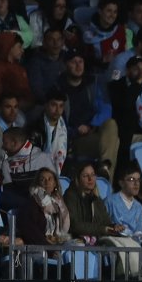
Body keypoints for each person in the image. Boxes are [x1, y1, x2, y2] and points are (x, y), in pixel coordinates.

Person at [56, 48, 119, 179]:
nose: (78, 65)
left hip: (92, 132)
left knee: (111, 124)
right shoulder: (59, 87)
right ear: (66, 65)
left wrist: (91, 125)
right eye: (74, 62)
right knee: (115, 142)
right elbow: (56, 120)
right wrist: (75, 130)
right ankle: (107, 183)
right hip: (74, 140)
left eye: (81, 61)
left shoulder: (92, 83)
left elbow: (106, 108)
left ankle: (105, 168)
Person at [64, 162, 123, 241]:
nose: (90, 179)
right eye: (85, 176)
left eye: (93, 175)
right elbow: (75, 226)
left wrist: (114, 227)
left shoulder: (96, 199)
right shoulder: (70, 196)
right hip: (75, 242)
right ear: (77, 179)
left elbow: (106, 222)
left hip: (96, 241)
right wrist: (103, 229)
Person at [0, 32, 34, 114]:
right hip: (6, 112)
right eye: (19, 47)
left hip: (26, 109)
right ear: (9, 47)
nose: (22, 50)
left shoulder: (19, 67)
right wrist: (16, 105)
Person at [16, 167, 71, 246]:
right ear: (38, 183)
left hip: (55, 242)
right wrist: (48, 247)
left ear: (55, 183)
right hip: (39, 247)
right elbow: (29, 230)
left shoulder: (59, 203)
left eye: (50, 179)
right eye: (42, 179)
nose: (46, 182)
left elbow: (65, 225)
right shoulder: (31, 203)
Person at [105, 164, 142, 242]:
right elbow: (102, 225)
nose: (136, 183)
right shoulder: (110, 201)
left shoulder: (138, 206)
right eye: (131, 179)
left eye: (138, 180)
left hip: (132, 246)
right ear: (121, 183)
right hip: (114, 242)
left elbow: (137, 233)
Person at [28, 88, 68, 175]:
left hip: (59, 172)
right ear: (46, 105)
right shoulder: (35, 128)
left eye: (61, 106)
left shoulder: (64, 128)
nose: (57, 110)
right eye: (54, 105)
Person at [82, 0, 126, 69]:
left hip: (115, 73)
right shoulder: (88, 32)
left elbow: (123, 56)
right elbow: (83, 60)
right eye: (109, 11)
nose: (112, 15)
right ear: (100, 11)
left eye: (115, 12)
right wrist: (103, 60)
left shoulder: (120, 30)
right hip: (95, 74)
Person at [25, 28, 66, 102]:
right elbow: (37, 90)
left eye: (58, 39)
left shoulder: (67, 57)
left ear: (63, 42)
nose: (55, 43)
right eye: (51, 39)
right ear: (44, 43)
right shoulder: (35, 62)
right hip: (46, 104)